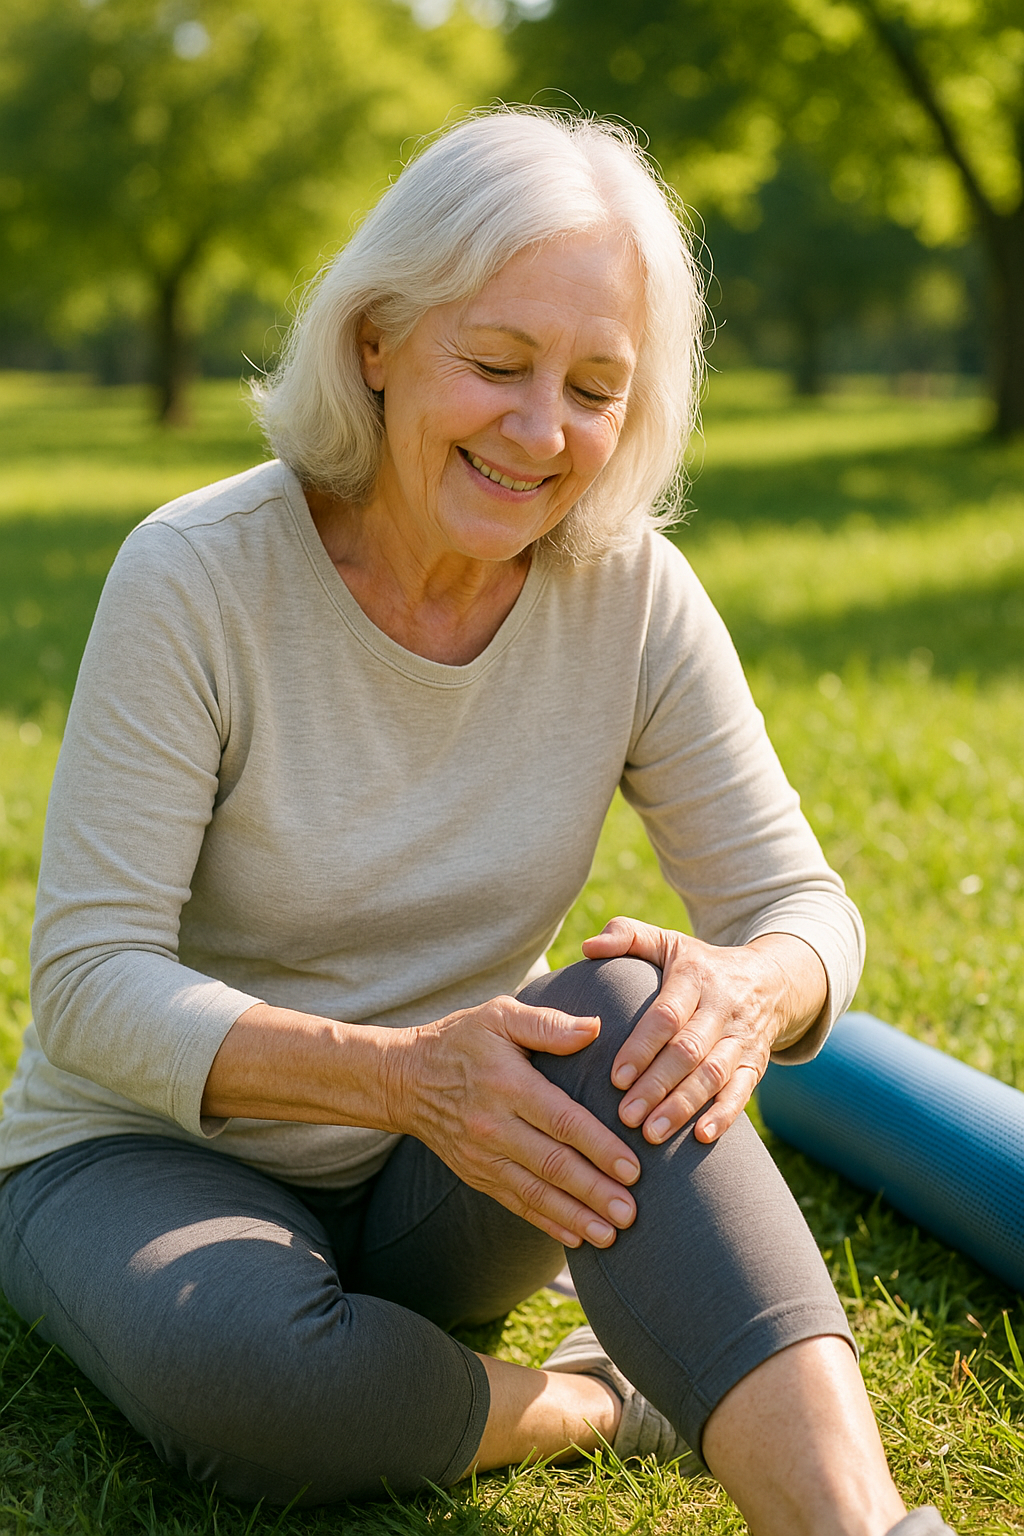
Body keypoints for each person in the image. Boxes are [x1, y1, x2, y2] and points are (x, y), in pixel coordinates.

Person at [0, 109, 953, 1536]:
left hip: (440, 1178)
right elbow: (86, 985)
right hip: (142, 1159)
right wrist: (400, 1079)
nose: (541, 431)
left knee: (637, 1010)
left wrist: (754, 988)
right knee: (256, 1372)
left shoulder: (630, 594)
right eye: (498, 365)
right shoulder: (194, 576)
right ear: (377, 341)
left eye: (594, 386)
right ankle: (600, 1400)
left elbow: (806, 911)